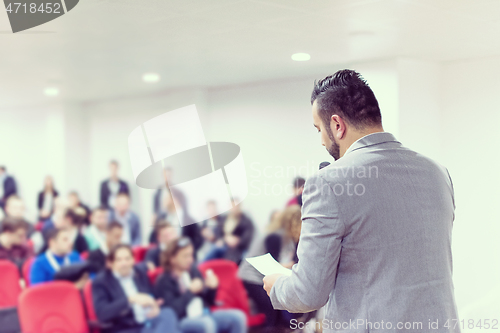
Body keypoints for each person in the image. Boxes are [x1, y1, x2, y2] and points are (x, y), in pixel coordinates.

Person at [262, 69, 460, 332]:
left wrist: (276, 285)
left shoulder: (328, 183)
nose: (321, 140)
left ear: (337, 125)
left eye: (318, 129)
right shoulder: (437, 172)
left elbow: (308, 293)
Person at [154, 237, 247, 333]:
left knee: (238, 317)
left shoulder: (193, 271)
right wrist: (190, 292)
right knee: (206, 324)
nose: (190, 260)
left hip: (203, 313)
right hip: (182, 320)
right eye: (185, 256)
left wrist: (212, 288)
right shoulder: (164, 280)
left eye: (191, 255)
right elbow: (172, 312)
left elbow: (209, 301)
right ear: (172, 259)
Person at [92, 244, 181, 333]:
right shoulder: (102, 281)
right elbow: (102, 313)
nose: (124, 263)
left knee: (168, 313)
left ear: (133, 260)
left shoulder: (139, 272)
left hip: (148, 321)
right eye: (119, 260)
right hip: (126, 327)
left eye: (127, 259)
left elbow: (152, 294)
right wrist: (130, 299)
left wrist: (155, 305)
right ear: (110, 263)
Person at [238, 206, 302, 329]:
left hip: (261, 275)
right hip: (252, 276)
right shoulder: (275, 237)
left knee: (278, 310)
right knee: (272, 310)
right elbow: (273, 266)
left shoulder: (285, 237)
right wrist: (291, 266)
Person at [202, 198, 254, 265]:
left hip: (238, 248)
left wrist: (237, 241)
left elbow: (247, 237)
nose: (234, 208)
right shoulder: (224, 218)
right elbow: (218, 232)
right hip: (224, 244)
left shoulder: (245, 221)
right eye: (232, 206)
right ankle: (201, 266)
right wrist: (223, 239)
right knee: (215, 248)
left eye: (236, 206)